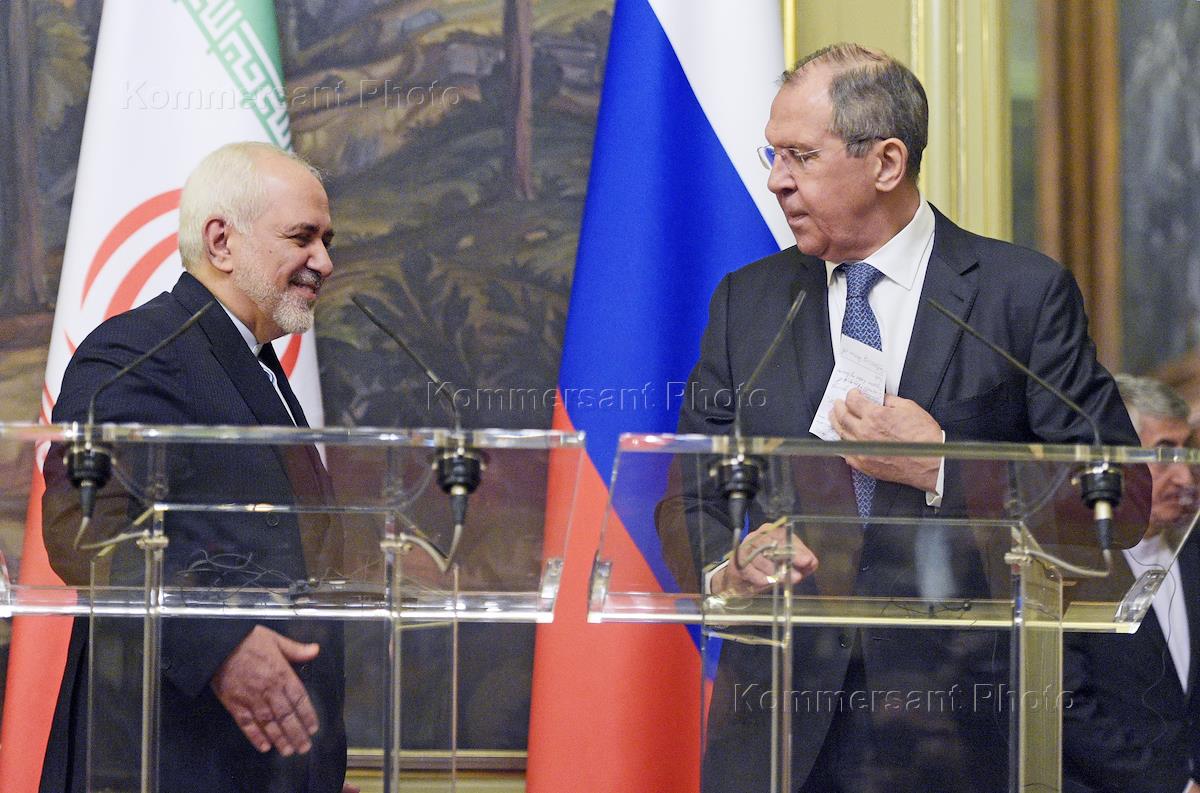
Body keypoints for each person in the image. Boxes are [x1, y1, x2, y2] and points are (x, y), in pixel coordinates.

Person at [677, 43, 1148, 792]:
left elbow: (1120, 501)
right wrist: (729, 567)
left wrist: (944, 468)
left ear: (887, 163)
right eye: (774, 154)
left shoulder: (1021, 295)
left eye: (801, 156)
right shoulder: (749, 301)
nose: (776, 179)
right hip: (778, 726)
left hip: (960, 724)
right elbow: (689, 492)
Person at [39, 142, 356, 793]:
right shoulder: (137, 351)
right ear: (221, 241)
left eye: (326, 241)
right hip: (163, 758)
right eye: (302, 237)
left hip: (259, 764)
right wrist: (220, 643)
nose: (324, 262)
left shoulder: (255, 365)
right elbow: (86, 527)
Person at [1063, 374, 1200, 793]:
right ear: (1115, 457)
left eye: (1187, 454)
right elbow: (1066, 705)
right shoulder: (1068, 561)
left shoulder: (1193, 547)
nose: (1185, 478)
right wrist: (1172, 787)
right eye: (1164, 454)